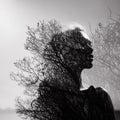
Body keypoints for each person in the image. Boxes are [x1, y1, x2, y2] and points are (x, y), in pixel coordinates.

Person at [39, 25, 115, 120]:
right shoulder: (53, 99)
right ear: (67, 52)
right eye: (83, 44)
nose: (91, 49)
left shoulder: (100, 96)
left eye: (90, 44)